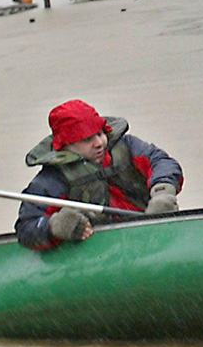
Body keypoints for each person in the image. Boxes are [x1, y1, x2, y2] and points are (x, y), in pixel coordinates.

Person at [15, 99, 184, 250]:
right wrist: (54, 225)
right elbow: (26, 227)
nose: (98, 143)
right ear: (66, 146)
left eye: (100, 134)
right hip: (100, 248)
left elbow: (163, 162)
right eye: (86, 140)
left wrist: (163, 194)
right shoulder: (53, 180)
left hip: (150, 231)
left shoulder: (127, 146)